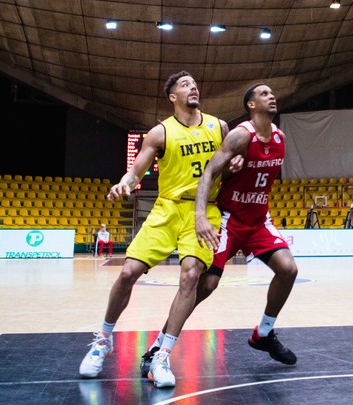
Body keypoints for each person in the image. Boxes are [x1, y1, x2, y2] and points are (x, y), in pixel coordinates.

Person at [79, 71, 232, 388]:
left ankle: (162, 356)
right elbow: (136, 171)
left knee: (191, 274)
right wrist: (124, 183)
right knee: (127, 272)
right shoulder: (160, 133)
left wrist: (236, 166)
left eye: (194, 83)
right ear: (172, 96)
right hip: (166, 208)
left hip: (203, 211)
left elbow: (231, 167)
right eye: (184, 85)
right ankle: (103, 340)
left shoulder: (219, 127)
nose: (193, 87)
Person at [191, 83, 299, 364]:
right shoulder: (240, 136)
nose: (272, 96)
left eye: (272, 92)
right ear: (250, 105)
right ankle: (162, 342)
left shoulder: (280, 137)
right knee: (208, 285)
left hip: (258, 220)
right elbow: (210, 173)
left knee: (288, 269)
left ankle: (263, 333)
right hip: (229, 219)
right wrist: (200, 214)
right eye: (264, 94)